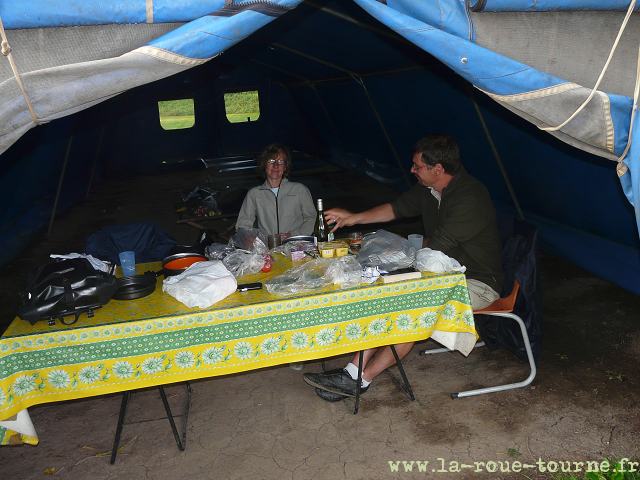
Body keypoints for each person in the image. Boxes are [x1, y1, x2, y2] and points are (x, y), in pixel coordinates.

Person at [302, 133, 505, 402]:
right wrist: (354, 218)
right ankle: (352, 371)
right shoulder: (428, 190)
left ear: (438, 169)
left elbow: (440, 243)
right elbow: (396, 209)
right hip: (442, 271)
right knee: (388, 296)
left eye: (417, 166)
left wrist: (393, 255)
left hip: (478, 282)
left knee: (412, 306)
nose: (412, 171)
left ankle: (361, 381)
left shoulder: (471, 196)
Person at [236, 143, 316, 240]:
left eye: (280, 161)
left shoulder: (299, 190)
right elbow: (243, 224)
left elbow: (312, 219)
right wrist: (250, 239)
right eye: (271, 160)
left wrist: (293, 235)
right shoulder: (254, 194)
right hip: (268, 248)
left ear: (285, 167)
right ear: (264, 164)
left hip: (296, 246)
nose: (276, 165)